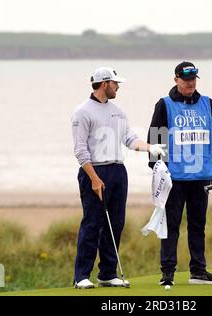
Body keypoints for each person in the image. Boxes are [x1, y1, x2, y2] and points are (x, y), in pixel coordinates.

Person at [71, 67, 165, 289]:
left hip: (117, 172)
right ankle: (81, 276)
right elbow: (80, 150)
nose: (118, 87)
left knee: (115, 223)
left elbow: (130, 139)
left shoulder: (118, 111)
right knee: (92, 223)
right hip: (94, 171)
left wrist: (150, 148)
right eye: (115, 83)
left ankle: (107, 273)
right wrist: (94, 178)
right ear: (104, 84)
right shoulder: (82, 112)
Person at [147, 61, 212, 286]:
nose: (190, 83)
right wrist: (157, 170)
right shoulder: (164, 104)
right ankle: (167, 274)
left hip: (201, 176)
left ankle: (198, 272)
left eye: (193, 79)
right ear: (176, 79)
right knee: (170, 226)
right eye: (186, 79)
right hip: (175, 179)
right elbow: (155, 140)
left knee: (198, 225)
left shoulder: (208, 104)